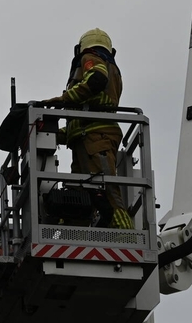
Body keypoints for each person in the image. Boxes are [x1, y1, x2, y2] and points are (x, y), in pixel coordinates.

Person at [43, 28, 132, 229]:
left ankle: (125, 234)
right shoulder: (112, 67)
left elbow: (96, 79)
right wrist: (55, 135)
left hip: (96, 138)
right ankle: (80, 234)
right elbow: (86, 113)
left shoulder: (90, 57)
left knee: (106, 191)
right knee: (80, 196)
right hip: (87, 138)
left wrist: (62, 100)